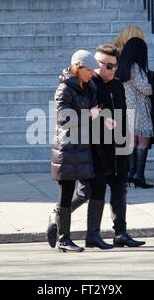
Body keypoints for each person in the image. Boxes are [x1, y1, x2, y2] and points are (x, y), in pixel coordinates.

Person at [47, 45, 145, 249]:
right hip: (82, 146)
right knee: (81, 191)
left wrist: (115, 127)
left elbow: (107, 112)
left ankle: (114, 234)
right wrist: (93, 118)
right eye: (107, 66)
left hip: (107, 144)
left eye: (115, 66)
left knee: (112, 188)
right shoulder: (78, 87)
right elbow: (68, 118)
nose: (112, 70)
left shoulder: (106, 85)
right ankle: (62, 229)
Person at [49, 50, 101, 252]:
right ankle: (64, 239)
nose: (92, 73)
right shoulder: (64, 89)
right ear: (77, 68)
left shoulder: (88, 87)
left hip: (84, 145)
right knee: (66, 192)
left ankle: (56, 218)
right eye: (88, 70)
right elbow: (65, 118)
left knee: (88, 188)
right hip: (68, 147)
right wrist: (90, 114)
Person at [116, 37, 154, 189]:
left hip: (126, 108)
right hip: (139, 109)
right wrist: (151, 85)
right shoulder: (135, 67)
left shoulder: (121, 67)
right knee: (143, 142)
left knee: (132, 142)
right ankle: (139, 175)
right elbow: (146, 89)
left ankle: (131, 173)